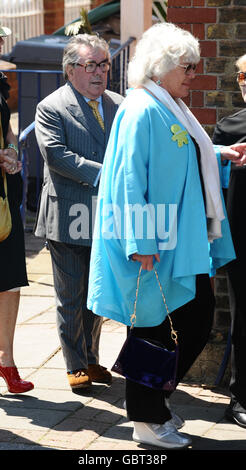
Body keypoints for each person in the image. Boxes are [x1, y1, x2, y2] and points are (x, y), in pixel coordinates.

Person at [87, 22, 246, 449]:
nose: (194, 74)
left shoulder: (169, 105)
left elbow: (182, 153)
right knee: (154, 329)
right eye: (187, 67)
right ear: (161, 68)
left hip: (180, 241)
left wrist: (220, 154)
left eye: (195, 66)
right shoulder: (142, 109)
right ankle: (145, 418)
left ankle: (156, 403)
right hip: (155, 244)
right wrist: (140, 244)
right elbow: (127, 180)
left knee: (193, 320)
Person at [34, 34, 123, 392]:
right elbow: (56, 156)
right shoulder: (52, 107)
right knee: (70, 295)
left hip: (105, 216)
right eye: (91, 65)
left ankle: (91, 358)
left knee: (97, 292)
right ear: (71, 70)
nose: (100, 72)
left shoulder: (119, 103)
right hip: (68, 214)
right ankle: (74, 365)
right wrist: (108, 172)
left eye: (104, 64)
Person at [212, 54, 246, 428]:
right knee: (243, 319)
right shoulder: (227, 129)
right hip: (241, 237)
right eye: (242, 76)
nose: (245, 81)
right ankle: (240, 395)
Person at [0, 24, 34, 394]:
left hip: (4, 193)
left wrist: (12, 152)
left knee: (9, 281)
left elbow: (6, 127)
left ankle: (6, 362)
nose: (1, 43)